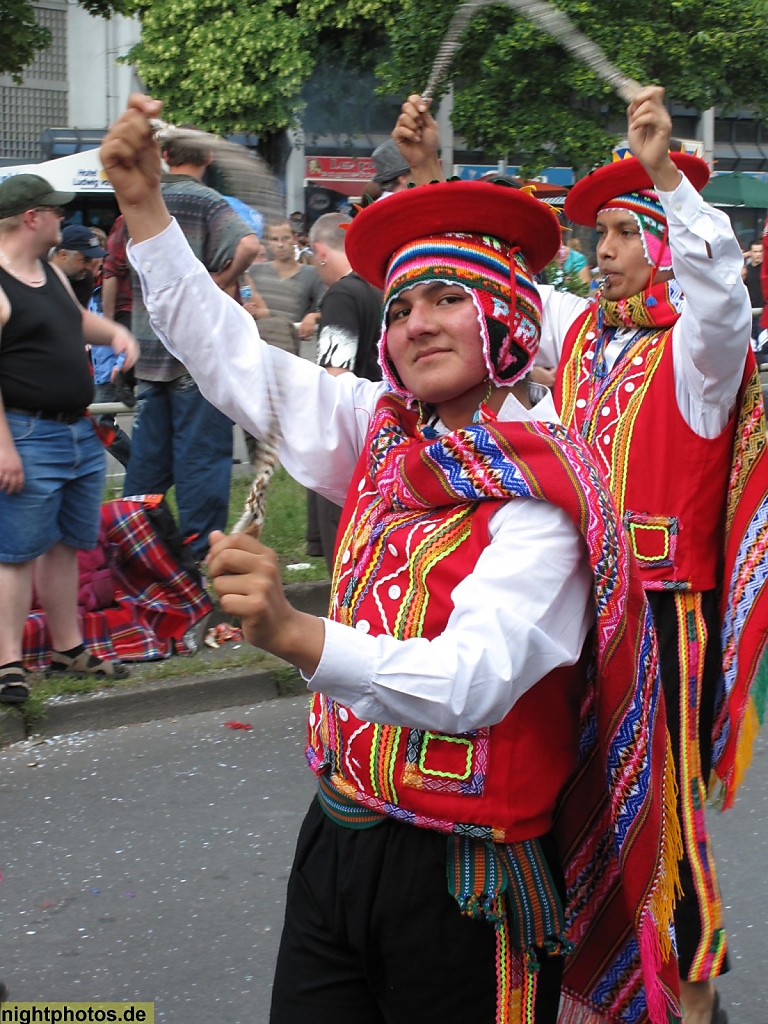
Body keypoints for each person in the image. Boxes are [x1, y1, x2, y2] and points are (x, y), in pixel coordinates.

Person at [102, 94, 682, 1024]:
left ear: (506, 316)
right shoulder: (381, 431)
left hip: (465, 879)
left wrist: (298, 633)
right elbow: (232, 360)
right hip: (334, 836)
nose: (417, 323)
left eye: (448, 298)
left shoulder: (547, 490)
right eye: (403, 305)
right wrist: (145, 211)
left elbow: (473, 684)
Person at [538, 89, 768, 1024]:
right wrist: (431, 183)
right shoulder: (580, 335)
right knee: (567, 790)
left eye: (623, 235)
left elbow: (722, 293)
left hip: (663, 613)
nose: (602, 253)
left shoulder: (698, 354)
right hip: (576, 608)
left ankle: (694, 983)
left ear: (665, 243)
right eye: (600, 238)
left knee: (661, 805)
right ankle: (599, 974)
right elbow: (490, 299)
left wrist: (668, 174)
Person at [0, 173, 139, 703]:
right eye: (56, 212)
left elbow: (77, 322)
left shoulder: (48, 275)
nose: (66, 219)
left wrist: (117, 333)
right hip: (25, 431)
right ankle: (8, 664)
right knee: (14, 552)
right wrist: (3, 448)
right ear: (31, 218)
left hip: (75, 430)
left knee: (64, 546)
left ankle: (67, 648)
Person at [121, 127, 262, 561]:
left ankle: (140, 559)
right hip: (195, 355)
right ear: (208, 158)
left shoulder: (141, 202)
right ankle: (197, 563)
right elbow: (248, 243)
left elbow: (115, 265)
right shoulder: (207, 201)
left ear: (165, 155)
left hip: (148, 348)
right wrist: (220, 281)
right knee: (201, 463)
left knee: (146, 468)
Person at [306, 211, 383, 569]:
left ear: (321, 251)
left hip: (348, 436)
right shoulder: (376, 287)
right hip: (380, 427)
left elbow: (335, 375)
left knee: (343, 554)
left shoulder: (340, 295)